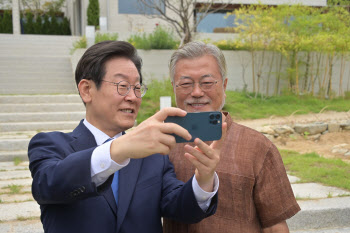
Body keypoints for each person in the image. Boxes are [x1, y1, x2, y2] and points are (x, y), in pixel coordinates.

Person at [28, 41, 227, 233]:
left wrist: (203, 179)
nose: (132, 97)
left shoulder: (153, 157)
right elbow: (48, 184)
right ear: (87, 90)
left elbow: (180, 207)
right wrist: (118, 149)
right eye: (122, 86)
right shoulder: (50, 145)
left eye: (137, 88)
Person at [163, 41, 301, 233]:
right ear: (174, 87)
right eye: (185, 84)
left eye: (207, 83)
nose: (196, 92)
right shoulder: (161, 145)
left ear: (225, 84)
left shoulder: (257, 147)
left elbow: (274, 226)